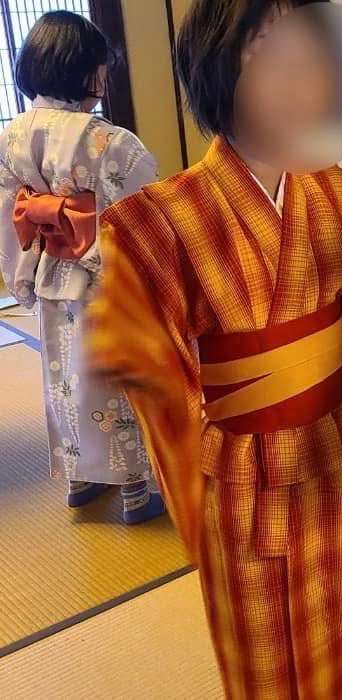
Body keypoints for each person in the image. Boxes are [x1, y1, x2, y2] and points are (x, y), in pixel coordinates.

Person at [85, 1, 342, 697]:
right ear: (218, 64)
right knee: (268, 665)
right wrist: (199, 497)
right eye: (272, 51)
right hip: (248, 477)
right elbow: (150, 371)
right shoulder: (155, 221)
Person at [0, 11, 163, 523]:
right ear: (86, 70)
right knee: (117, 375)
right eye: (102, 68)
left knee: (65, 375)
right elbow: (144, 212)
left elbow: (8, 212)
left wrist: (20, 273)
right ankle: (135, 490)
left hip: (50, 271)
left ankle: (80, 478)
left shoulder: (11, 135)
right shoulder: (109, 141)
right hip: (107, 279)